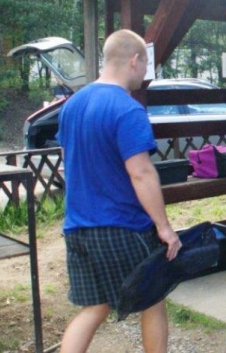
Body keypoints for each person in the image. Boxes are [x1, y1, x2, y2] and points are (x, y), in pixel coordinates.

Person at [57, 29, 182, 352]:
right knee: (152, 300)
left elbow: (67, 163)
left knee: (95, 307)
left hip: (77, 227)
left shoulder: (72, 106)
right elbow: (141, 173)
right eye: (146, 65)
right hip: (121, 226)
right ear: (134, 60)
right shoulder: (128, 109)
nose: (145, 73)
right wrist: (164, 227)